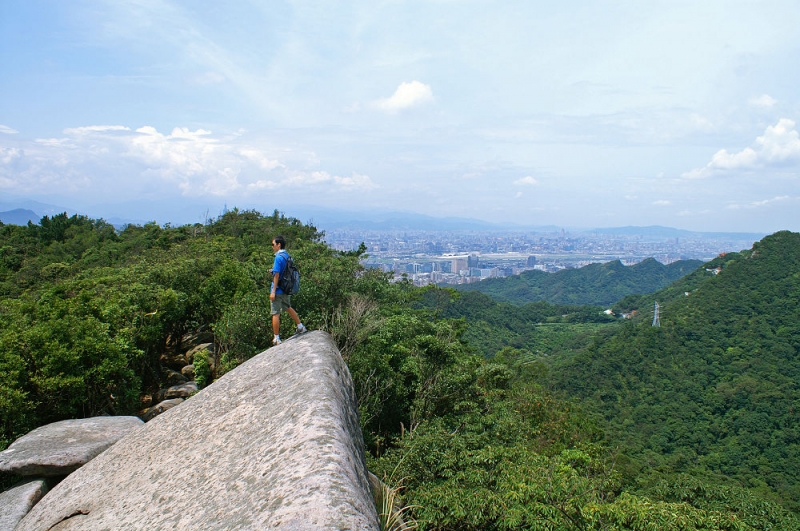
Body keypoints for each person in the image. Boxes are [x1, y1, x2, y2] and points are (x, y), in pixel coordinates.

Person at [270, 235, 307, 345]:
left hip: (278, 290)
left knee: (275, 313)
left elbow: (276, 275)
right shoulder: (287, 256)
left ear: (278, 244)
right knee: (288, 307)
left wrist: (273, 291)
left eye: (273, 244)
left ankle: (276, 338)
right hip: (286, 288)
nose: (272, 246)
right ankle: (300, 326)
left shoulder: (278, 257)